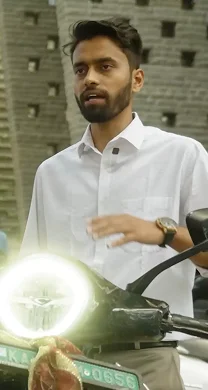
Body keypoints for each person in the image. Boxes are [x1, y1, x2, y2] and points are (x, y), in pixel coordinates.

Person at [20, 17, 208, 390]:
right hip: (65, 360)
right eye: (81, 69)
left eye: (105, 66)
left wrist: (161, 233)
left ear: (136, 79)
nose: (90, 78)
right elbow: (31, 275)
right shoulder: (51, 173)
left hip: (150, 358)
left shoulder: (183, 156)